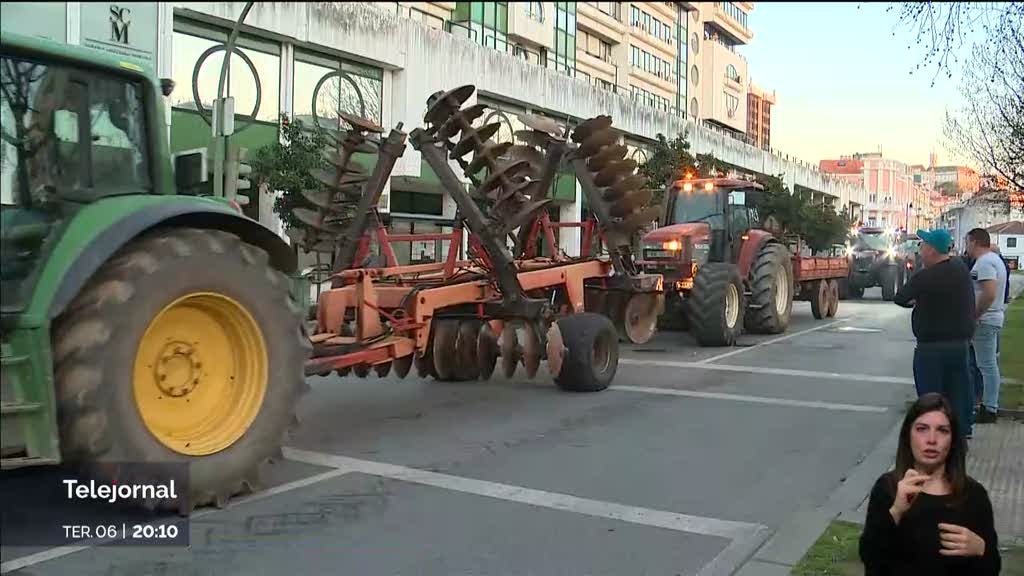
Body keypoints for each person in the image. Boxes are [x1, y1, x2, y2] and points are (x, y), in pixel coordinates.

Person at [859, 393, 1001, 575]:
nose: (931, 439)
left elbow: (992, 569)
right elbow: (870, 558)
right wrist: (895, 512)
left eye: (942, 430)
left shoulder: (973, 496)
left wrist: (982, 549)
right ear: (908, 435)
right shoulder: (888, 488)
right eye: (922, 429)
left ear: (953, 440)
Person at [893, 229, 976, 438]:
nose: (920, 250)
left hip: (932, 347)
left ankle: (933, 437)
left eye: (922, 245)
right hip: (959, 345)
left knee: (931, 398)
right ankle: (960, 434)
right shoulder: (960, 269)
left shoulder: (927, 276)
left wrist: (918, 297)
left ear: (931, 249)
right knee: (958, 393)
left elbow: (901, 296)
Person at [966, 228, 1008, 424]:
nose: (966, 247)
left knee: (986, 365)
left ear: (974, 242)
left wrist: (975, 314)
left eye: (967, 243)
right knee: (987, 364)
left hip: (984, 320)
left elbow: (989, 293)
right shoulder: (993, 260)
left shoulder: (984, 263)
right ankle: (986, 404)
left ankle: (989, 407)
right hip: (989, 318)